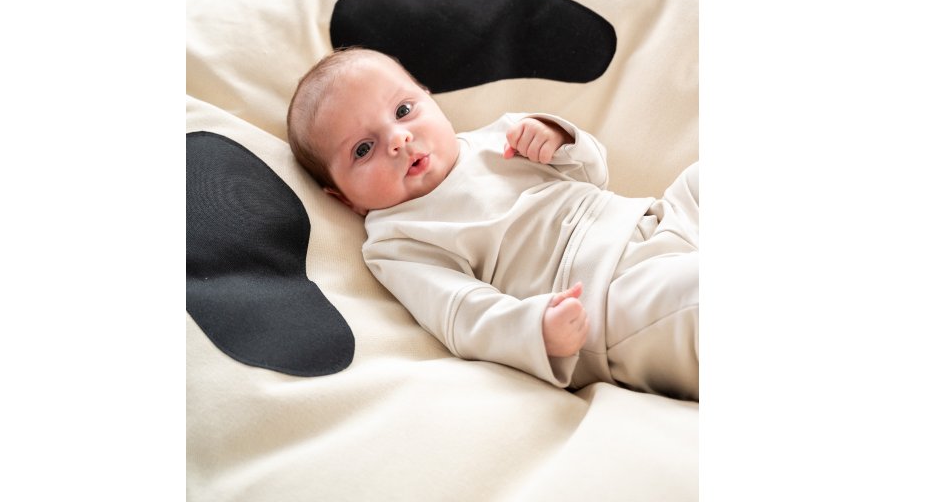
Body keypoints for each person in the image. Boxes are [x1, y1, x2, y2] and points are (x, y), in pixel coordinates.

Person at [287, 47, 698, 400]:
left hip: (652, 220)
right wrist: (534, 329)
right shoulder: (396, 240)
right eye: (363, 149)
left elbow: (593, 175)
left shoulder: (501, 135)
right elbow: (462, 314)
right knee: (692, 294)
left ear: (429, 97)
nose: (398, 139)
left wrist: (559, 139)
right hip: (604, 299)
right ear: (343, 198)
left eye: (403, 111)